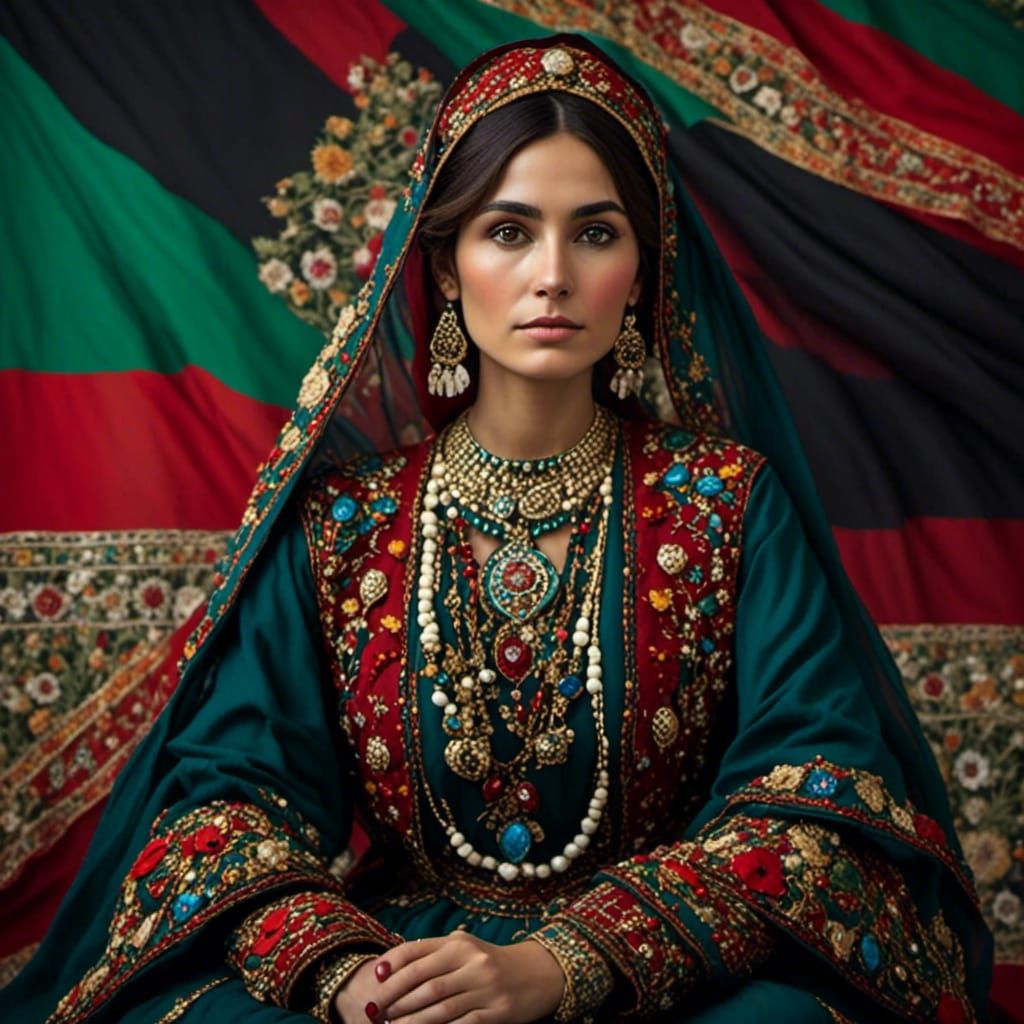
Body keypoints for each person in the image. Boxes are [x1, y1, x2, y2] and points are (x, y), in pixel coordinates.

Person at [4, 36, 991, 1024]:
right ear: (444, 260)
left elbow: (815, 789)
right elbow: (226, 796)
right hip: (404, 963)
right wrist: (342, 971)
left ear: (644, 271)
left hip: (651, 972)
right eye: (509, 231)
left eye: (596, 234)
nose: (552, 274)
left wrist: (574, 959)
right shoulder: (349, 524)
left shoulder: (724, 503)